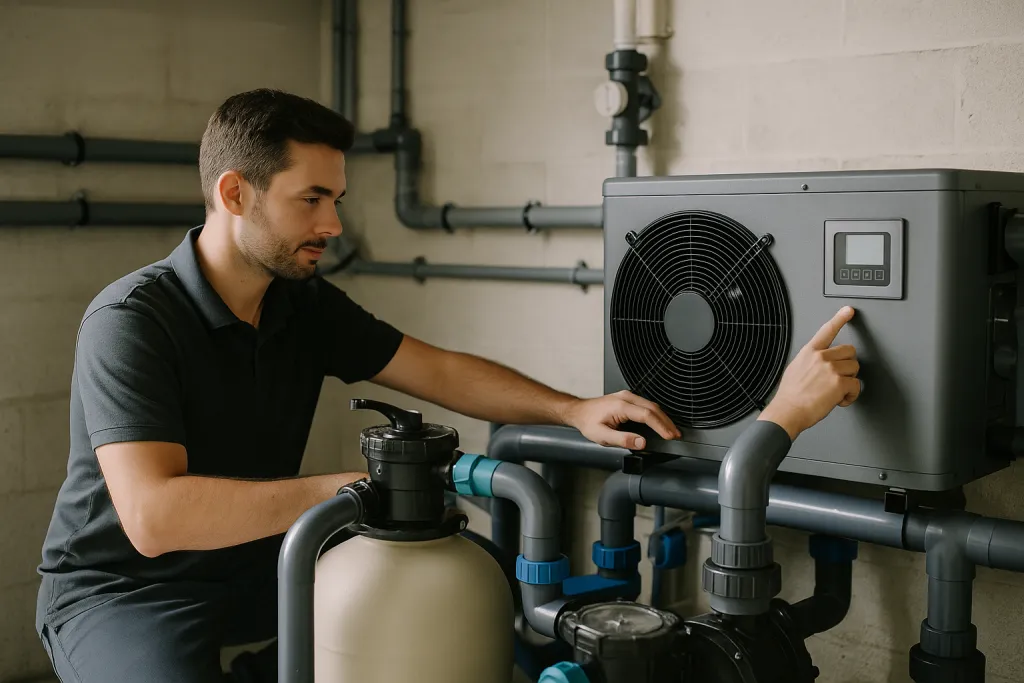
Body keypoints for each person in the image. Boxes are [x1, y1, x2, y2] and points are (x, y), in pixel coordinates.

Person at [33, 89, 860, 683]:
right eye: (311, 198)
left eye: (338, 198)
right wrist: (350, 490)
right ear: (234, 193)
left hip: (260, 564)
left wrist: (569, 408)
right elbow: (154, 517)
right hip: (124, 591)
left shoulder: (298, 304)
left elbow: (436, 368)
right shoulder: (133, 321)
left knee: (434, 617)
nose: (333, 224)